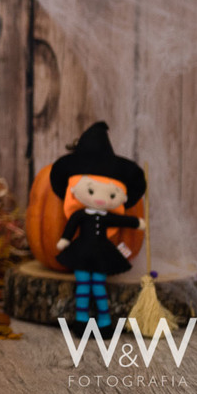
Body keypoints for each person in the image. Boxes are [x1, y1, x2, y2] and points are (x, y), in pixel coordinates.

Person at [50, 121, 146, 337]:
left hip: (102, 253)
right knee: (83, 287)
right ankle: (82, 321)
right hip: (81, 252)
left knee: (99, 288)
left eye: (112, 196)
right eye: (92, 191)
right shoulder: (80, 215)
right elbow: (70, 227)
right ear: (74, 189)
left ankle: (104, 321)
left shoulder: (109, 216)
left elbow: (121, 222)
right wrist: (65, 240)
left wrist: (136, 223)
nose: (102, 200)